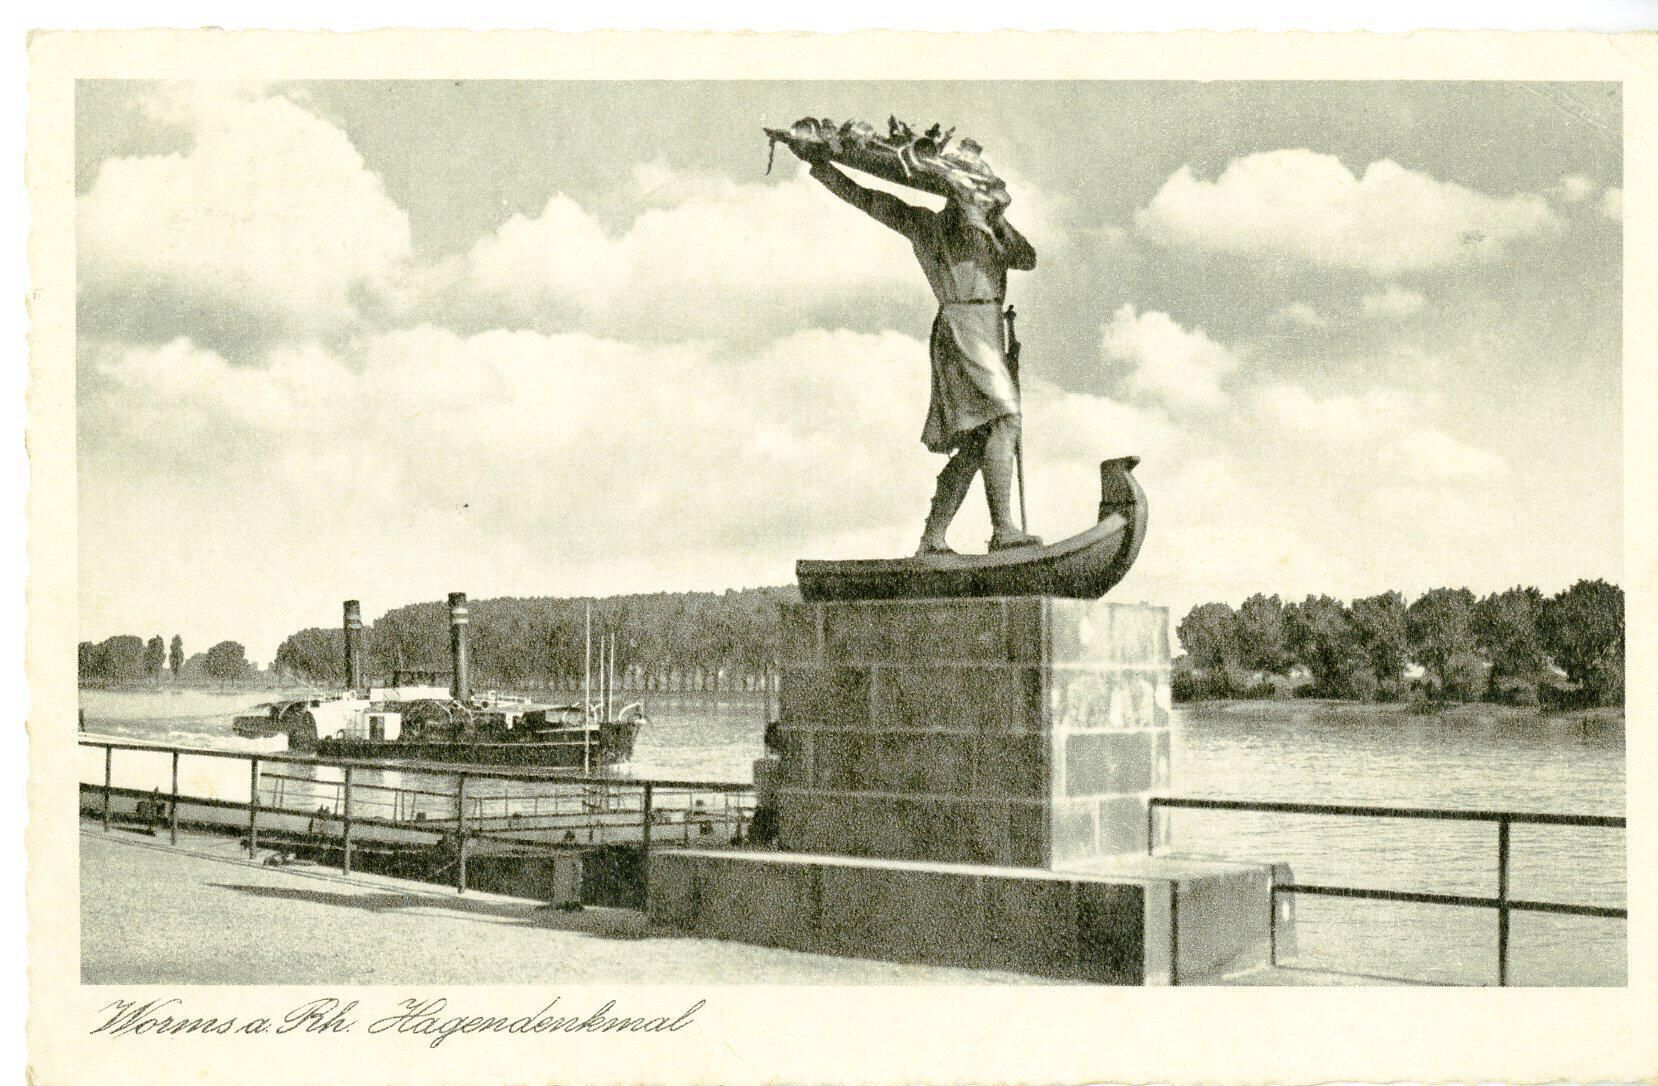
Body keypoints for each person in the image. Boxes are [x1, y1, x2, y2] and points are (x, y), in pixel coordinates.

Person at [794, 142, 1042, 554]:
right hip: (961, 329)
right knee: (1006, 417)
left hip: (989, 329)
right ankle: (1003, 530)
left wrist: (996, 220)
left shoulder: (992, 229)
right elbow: (869, 199)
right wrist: (824, 167)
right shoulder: (928, 225)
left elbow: (1026, 258)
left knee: (978, 441)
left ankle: (933, 537)